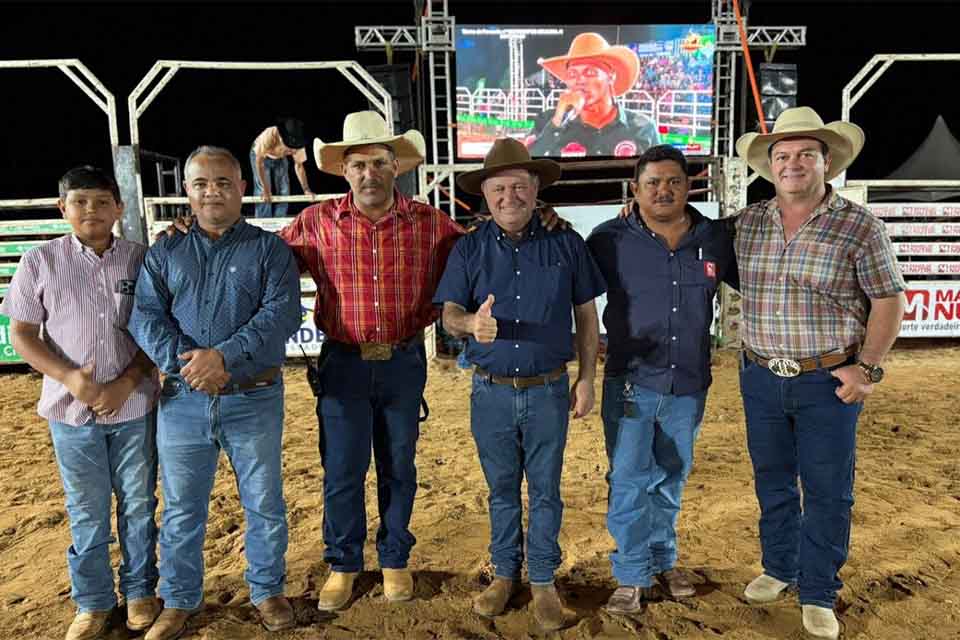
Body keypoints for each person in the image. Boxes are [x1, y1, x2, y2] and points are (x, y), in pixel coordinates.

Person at [733, 107, 906, 640]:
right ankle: (779, 566)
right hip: (760, 376)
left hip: (827, 380)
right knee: (773, 481)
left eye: (805, 154)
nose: (792, 163)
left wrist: (867, 370)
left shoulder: (859, 225)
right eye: (782, 155)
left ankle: (818, 589)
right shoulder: (748, 222)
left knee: (829, 489)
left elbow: (890, 300)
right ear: (769, 166)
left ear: (826, 163)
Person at [434, 137, 607, 632]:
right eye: (498, 188)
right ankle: (506, 573)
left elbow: (586, 319)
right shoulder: (467, 248)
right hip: (489, 391)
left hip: (549, 389)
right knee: (502, 489)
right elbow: (447, 314)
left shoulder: (566, 243)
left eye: (518, 186)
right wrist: (470, 325)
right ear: (484, 194)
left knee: (547, 489)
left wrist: (588, 377)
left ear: (535, 191)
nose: (508, 196)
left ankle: (545, 580)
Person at [129, 146, 302, 640]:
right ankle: (180, 599)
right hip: (183, 399)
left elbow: (281, 313)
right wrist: (190, 364)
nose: (212, 192)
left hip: (254, 396)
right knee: (182, 505)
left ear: (243, 188)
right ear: (187, 190)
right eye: (201, 183)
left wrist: (221, 357)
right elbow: (145, 315)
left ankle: (267, 589)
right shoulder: (165, 252)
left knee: (264, 501)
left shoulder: (269, 250)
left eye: (223, 182)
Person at [1, 166, 160, 640]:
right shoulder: (40, 261)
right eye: (80, 201)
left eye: (100, 201)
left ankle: (139, 592)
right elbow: (23, 333)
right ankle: (91, 602)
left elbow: (157, 329)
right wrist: (71, 377)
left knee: (138, 503)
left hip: (135, 406)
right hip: (71, 413)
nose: (91, 210)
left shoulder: (142, 260)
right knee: (86, 508)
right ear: (62, 208)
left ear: (119, 207)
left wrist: (125, 383)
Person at [586, 145, 738, 614]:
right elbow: (571, 291)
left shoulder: (715, 238)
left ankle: (662, 558)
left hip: (689, 384)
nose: (663, 190)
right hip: (629, 381)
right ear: (636, 189)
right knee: (629, 478)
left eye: (673, 180)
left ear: (689, 186)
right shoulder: (607, 239)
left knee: (671, 477)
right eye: (652, 182)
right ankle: (631, 573)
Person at [526, 32, 659, 158]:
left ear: (611, 76)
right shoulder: (546, 122)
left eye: (590, 72)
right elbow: (526, 169)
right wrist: (557, 122)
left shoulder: (643, 128)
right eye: (572, 74)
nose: (579, 81)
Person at [250, 117, 314, 218]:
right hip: (261, 155)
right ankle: (263, 221)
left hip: (280, 157)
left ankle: (279, 220)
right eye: (290, 148)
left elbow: (299, 166)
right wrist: (266, 189)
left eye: (294, 149)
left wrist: (306, 189)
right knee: (263, 191)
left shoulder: (298, 141)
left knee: (284, 189)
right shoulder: (269, 135)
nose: (292, 152)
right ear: (281, 138)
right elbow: (259, 163)